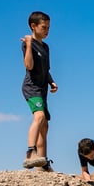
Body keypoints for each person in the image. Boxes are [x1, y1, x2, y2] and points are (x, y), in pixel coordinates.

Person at [21, 11, 58, 169]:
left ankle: (42, 162)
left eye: (49, 27)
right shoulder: (28, 43)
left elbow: (46, 68)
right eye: (44, 27)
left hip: (42, 88)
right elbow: (28, 65)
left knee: (45, 126)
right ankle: (30, 153)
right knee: (40, 117)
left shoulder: (46, 47)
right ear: (33, 26)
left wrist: (51, 82)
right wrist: (29, 44)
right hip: (32, 87)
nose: (47, 30)